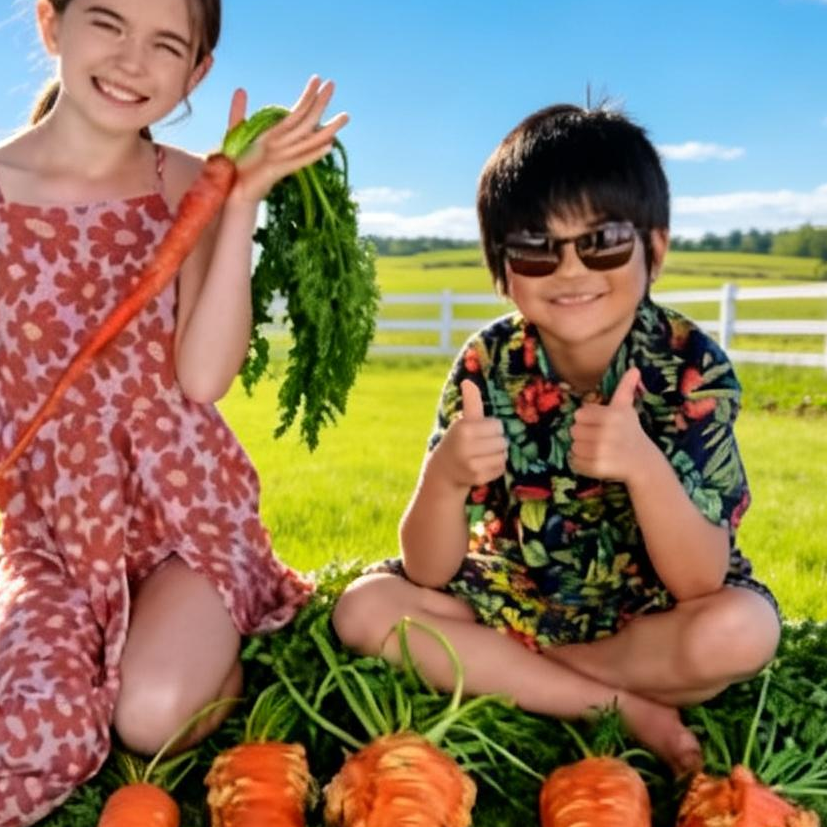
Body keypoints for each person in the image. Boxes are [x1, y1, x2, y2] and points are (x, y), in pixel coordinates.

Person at [0, 0, 344, 827]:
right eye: (108, 25)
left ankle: (221, 637)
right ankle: (39, 638)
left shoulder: (187, 185)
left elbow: (205, 378)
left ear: (197, 72)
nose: (133, 62)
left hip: (184, 512)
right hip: (55, 525)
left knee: (151, 720)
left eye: (167, 45)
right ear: (51, 21)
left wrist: (240, 202)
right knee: (32, 739)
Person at [333, 102, 779, 775]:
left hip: (643, 613)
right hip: (509, 594)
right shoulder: (487, 362)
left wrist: (642, 465)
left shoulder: (692, 366)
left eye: (601, 242)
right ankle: (619, 706)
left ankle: (530, 677)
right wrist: (446, 479)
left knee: (741, 634)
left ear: (654, 248)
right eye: (536, 249)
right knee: (363, 610)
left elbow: (698, 580)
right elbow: (427, 570)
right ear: (502, 267)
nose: (570, 271)